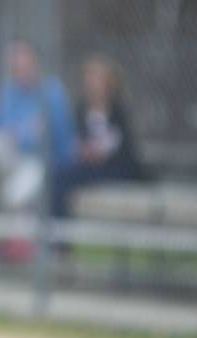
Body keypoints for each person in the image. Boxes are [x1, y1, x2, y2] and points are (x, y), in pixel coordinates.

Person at [0, 39, 76, 212]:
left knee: (13, 197)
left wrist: (27, 134)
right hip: (10, 155)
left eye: (23, 63)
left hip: (37, 162)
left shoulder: (52, 92)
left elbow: (62, 140)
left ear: (35, 63)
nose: (19, 68)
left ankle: (8, 228)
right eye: (15, 64)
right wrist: (25, 132)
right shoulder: (8, 91)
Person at [51, 55, 145, 219]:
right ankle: (60, 233)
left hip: (115, 167)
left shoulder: (117, 110)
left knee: (65, 176)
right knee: (59, 175)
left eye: (96, 78)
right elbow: (76, 139)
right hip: (89, 166)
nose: (91, 82)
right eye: (88, 77)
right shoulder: (81, 109)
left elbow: (117, 145)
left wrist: (95, 151)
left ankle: (59, 237)